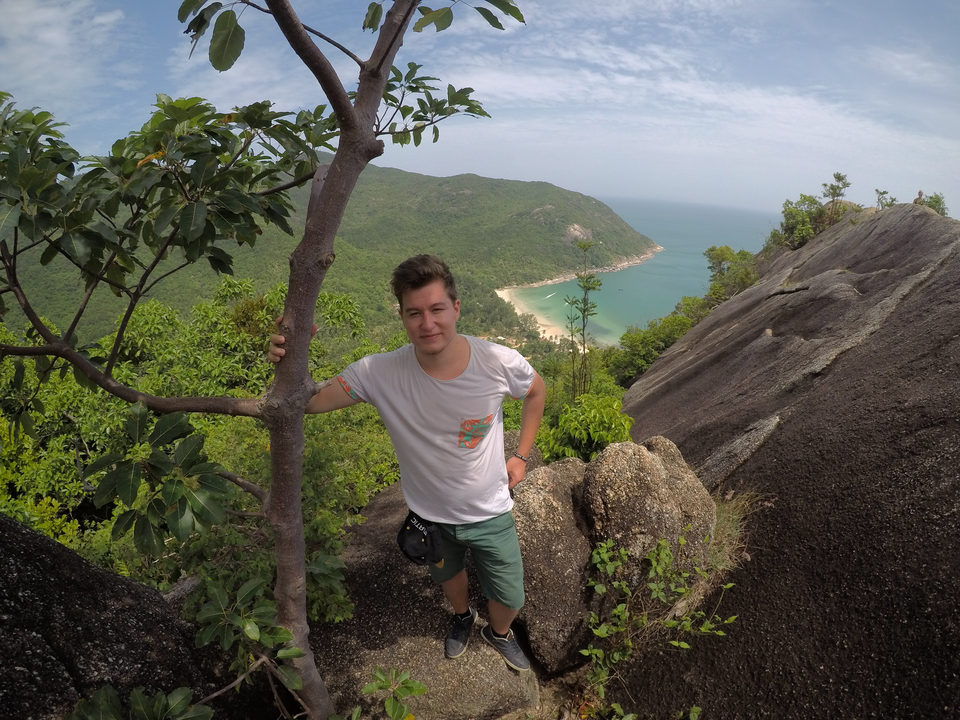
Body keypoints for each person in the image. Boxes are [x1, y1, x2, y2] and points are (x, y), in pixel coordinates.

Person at [267, 254, 546, 671]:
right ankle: (462, 617)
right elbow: (306, 404)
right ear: (401, 316)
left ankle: (498, 632)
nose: (427, 323)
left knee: (510, 596)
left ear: (456, 308)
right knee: (446, 577)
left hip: (489, 510)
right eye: (414, 313)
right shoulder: (379, 372)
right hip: (428, 514)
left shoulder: (497, 362)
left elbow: (536, 391)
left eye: (436, 309)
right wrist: (290, 356)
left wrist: (521, 455)